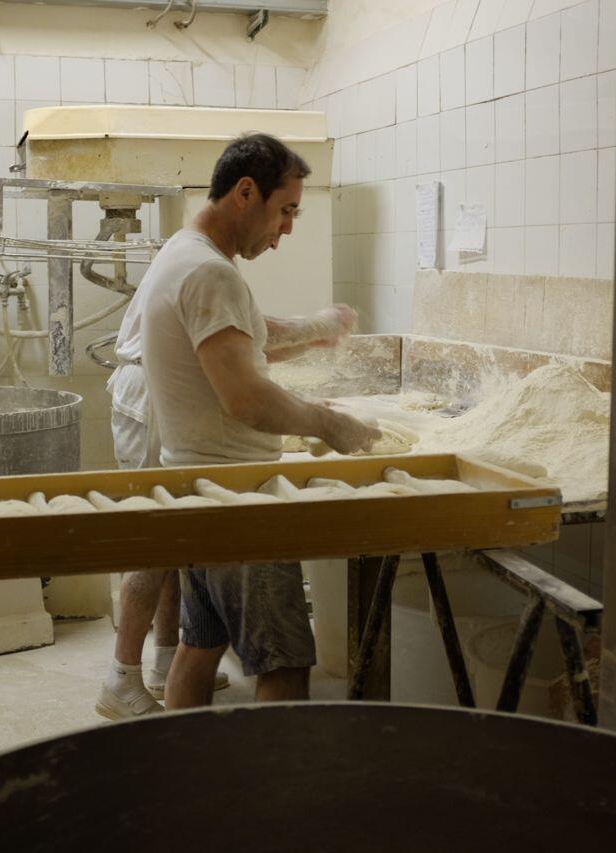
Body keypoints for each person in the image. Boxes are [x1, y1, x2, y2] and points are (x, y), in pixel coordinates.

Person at [133, 132, 380, 713]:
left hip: (197, 488)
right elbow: (244, 396)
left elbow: (243, 338)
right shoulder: (211, 274)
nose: (288, 228)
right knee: (284, 662)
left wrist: (317, 328)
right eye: (286, 209)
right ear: (246, 193)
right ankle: (273, 794)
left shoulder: (183, 253)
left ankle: (187, 766)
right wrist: (328, 424)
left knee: (200, 646)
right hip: (239, 501)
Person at [96, 291, 358, 720]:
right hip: (160, 401)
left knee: (180, 558)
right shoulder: (205, 266)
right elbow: (249, 367)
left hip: (169, 402)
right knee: (160, 539)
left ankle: (163, 661)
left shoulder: (201, 261)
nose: (282, 233)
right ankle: (121, 677)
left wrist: (307, 342)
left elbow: (239, 347)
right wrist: (319, 327)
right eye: (283, 217)